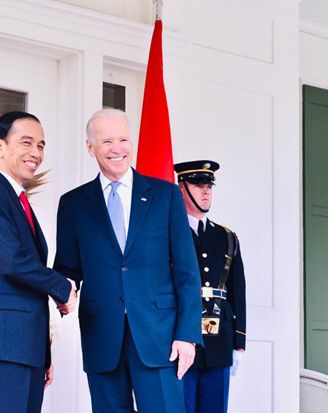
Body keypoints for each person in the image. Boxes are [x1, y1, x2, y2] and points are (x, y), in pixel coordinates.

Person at [54, 108, 202, 413]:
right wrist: (63, 289)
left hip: (159, 337)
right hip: (102, 336)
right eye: (107, 141)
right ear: (90, 147)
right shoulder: (73, 204)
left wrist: (187, 335)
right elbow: (68, 268)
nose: (117, 149)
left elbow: (187, 272)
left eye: (123, 139)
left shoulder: (166, 196)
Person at [0, 111, 77, 413]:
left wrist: (43, 355)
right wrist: (61, 287)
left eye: (40, 145)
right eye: (27, 142)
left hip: (25, 346)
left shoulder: (16, 199)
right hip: (2, 343)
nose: (36, 153)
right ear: (0, 146)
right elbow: (12, 261)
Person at [174, 160, 247, 413]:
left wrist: (239, 342)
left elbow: (238, 291)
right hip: (181, 338)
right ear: (181, 187)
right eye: (197, 184)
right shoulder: (170, 232)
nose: (206, 190)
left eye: (209, 185)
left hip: (220, 339)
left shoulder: (227, 237)